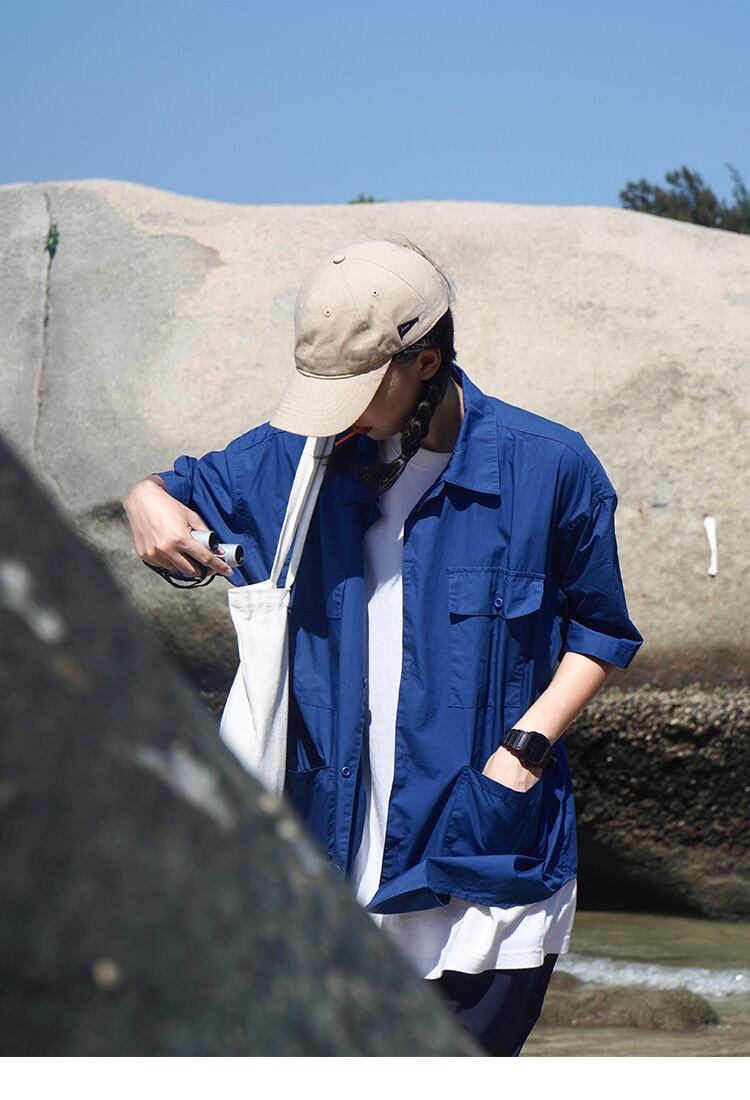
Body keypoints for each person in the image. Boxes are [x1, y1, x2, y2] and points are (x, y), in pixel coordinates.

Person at [123, 235, 644, 1057]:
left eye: (358, 390)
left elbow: (601, 630)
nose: (338, 415)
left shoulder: (551, 467)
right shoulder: (291, 460)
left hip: (486, 864)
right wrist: (142, 497)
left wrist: (524, 750)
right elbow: (174, 492)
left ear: (426, 362)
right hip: (322, 862)